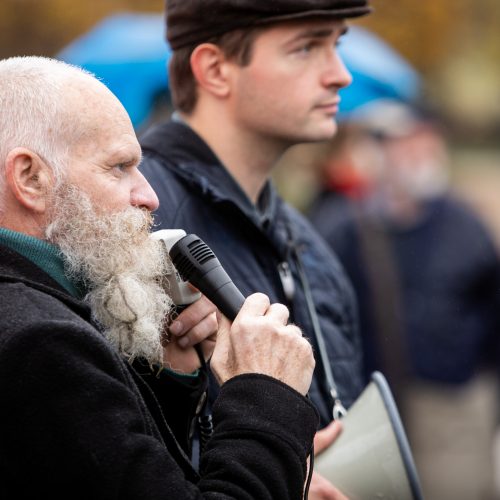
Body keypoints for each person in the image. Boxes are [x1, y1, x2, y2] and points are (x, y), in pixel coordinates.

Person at [0, 55, 320, 499]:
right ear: (30, 178)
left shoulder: (38, 314)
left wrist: (168, 372)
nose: (148, 196)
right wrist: (266, 398)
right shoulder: (40, 342)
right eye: (119, 167)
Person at [140, 1, 372, 497]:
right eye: (306, 47)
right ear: (215, 69)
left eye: (337, 44)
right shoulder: (140, 227)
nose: (341, 75)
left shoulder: (308, 242)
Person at [309, 99, 500, 499]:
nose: (417, 154)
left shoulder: (464, 223)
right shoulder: (344, 226)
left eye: (424, 142)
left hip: (452, 404)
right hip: (372, 403)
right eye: (402, 143)